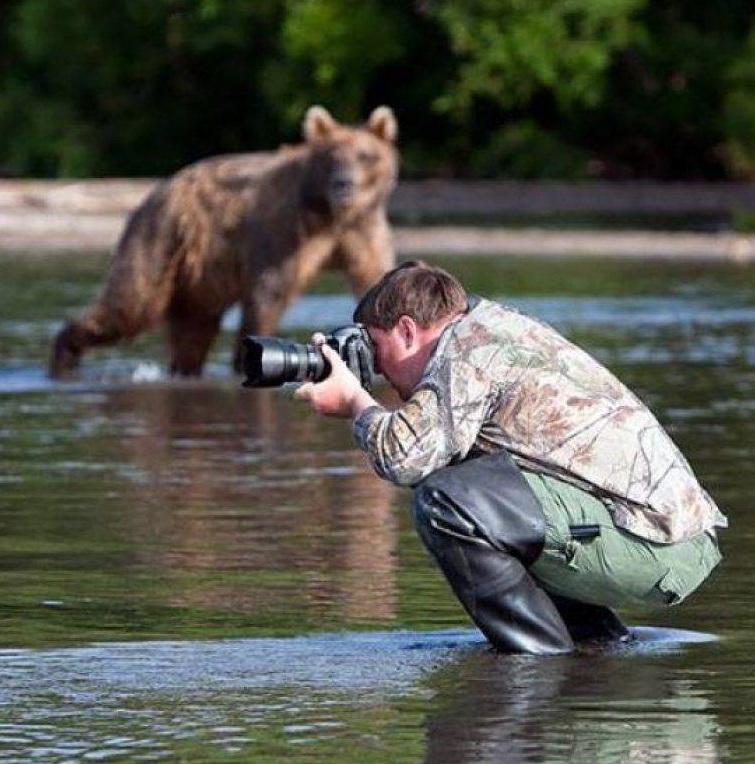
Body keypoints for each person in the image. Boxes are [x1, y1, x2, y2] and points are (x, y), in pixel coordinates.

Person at [294, 261, 727, 655]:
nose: (378, 369)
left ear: (407, 330)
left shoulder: (468, 350)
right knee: (476, 488)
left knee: (446, 501)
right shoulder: (487, 328)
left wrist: (354, 400)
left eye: (374, 349)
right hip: (661, 536)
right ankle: (595, 648)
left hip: (657, 542)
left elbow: (403, 458)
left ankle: (540, 662)